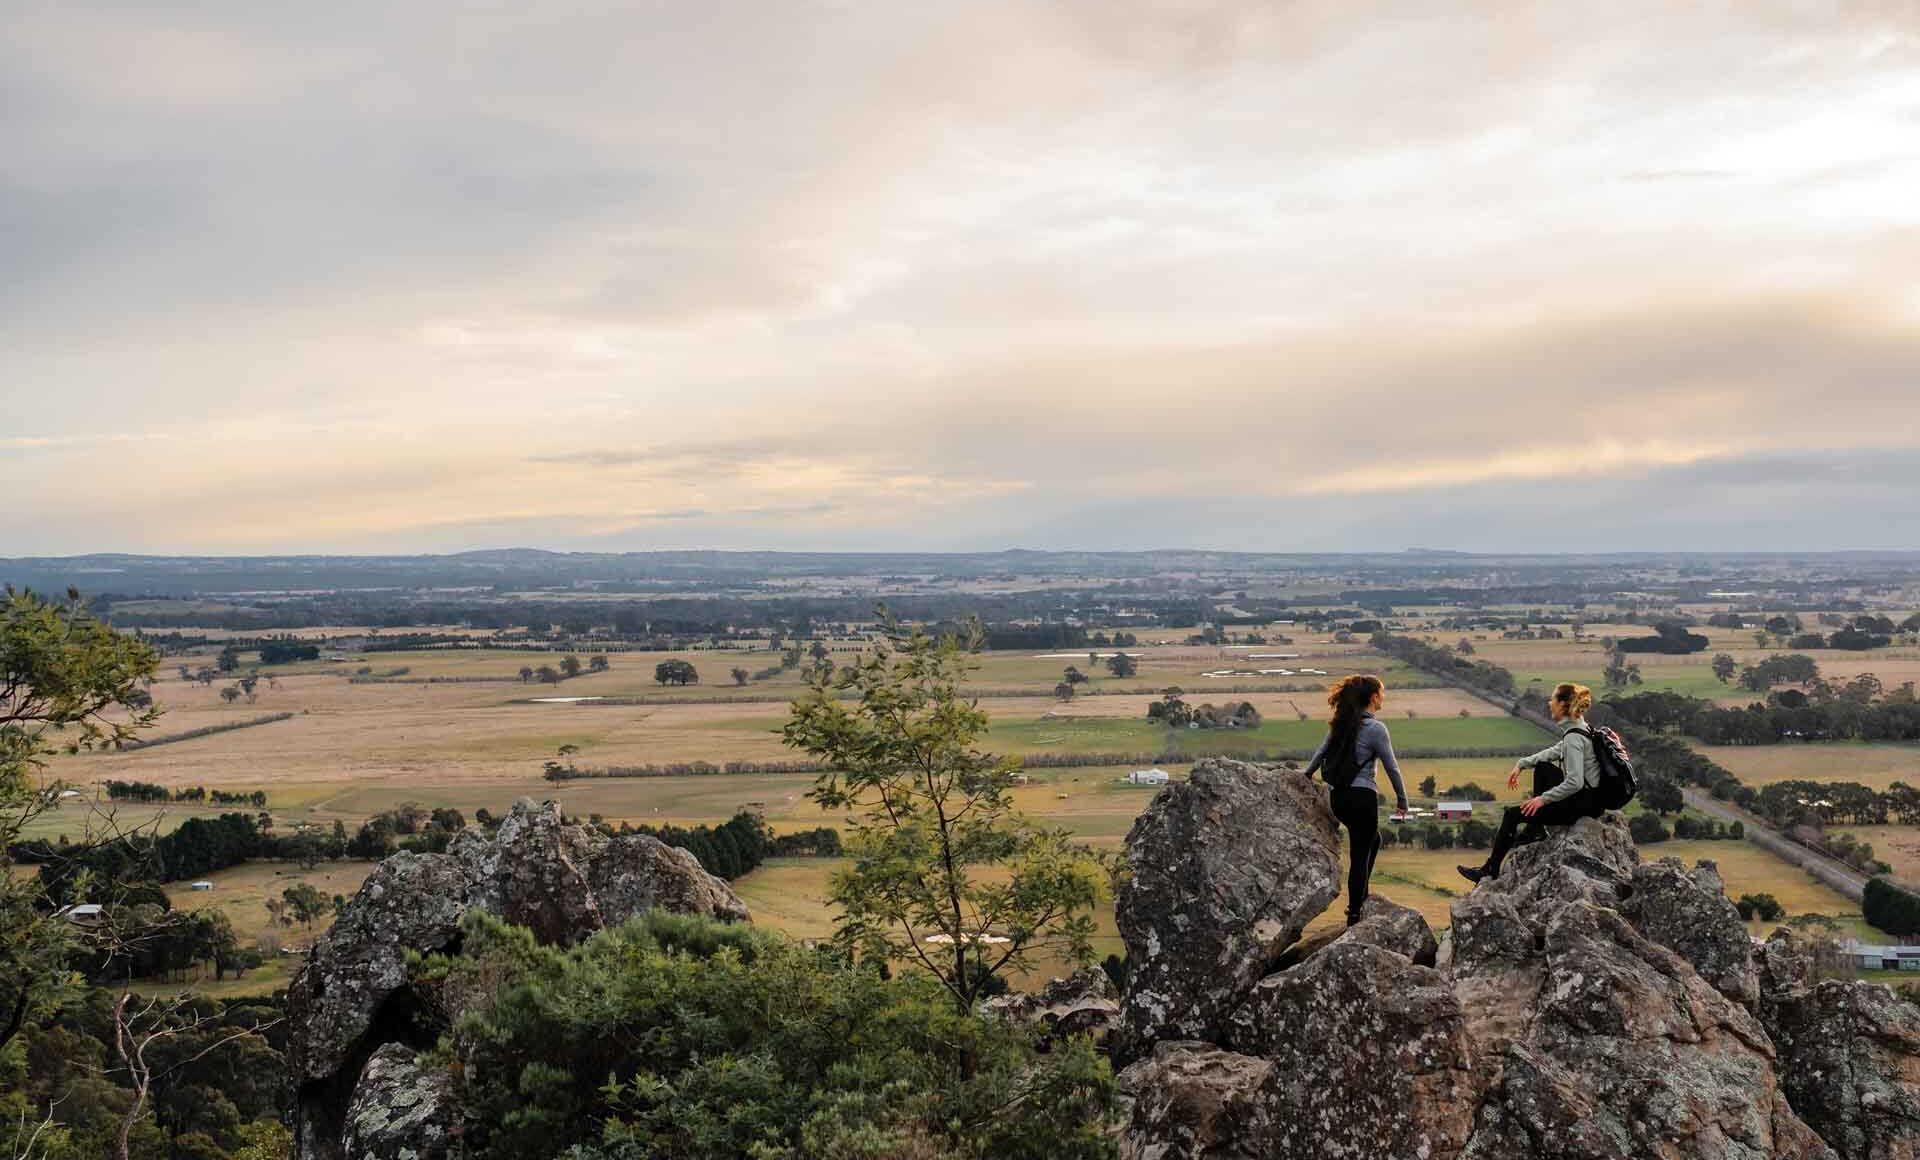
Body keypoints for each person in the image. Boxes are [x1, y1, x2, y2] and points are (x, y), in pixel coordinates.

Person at [1458, 682, 1603, 883]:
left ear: (1563, 705)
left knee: (1511, 815)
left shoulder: (1574, 738)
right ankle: (1535, 828)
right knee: (1543, 767)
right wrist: (1523, 763)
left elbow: (1575, 782)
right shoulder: (1580, 728)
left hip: (1580, 805)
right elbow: (1556, 751)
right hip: (1589, 799)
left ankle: (1490, 869)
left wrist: (1542, 800)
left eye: (1553, 699)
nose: (1549, 702)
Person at [1304, 675, 1410, 925]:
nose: (1383, 698)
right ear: (1373, 698)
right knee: (1360, 856)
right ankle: (1355, 911)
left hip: (1339, 798)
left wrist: (1305, 775)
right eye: (1381, 694)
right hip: (1362, 798)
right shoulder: (1376, 729)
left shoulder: (1342, 723)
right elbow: (1391, 767)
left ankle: (1361, 895)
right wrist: (1402, 799)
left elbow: (1321, 753)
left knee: (1374, 840)